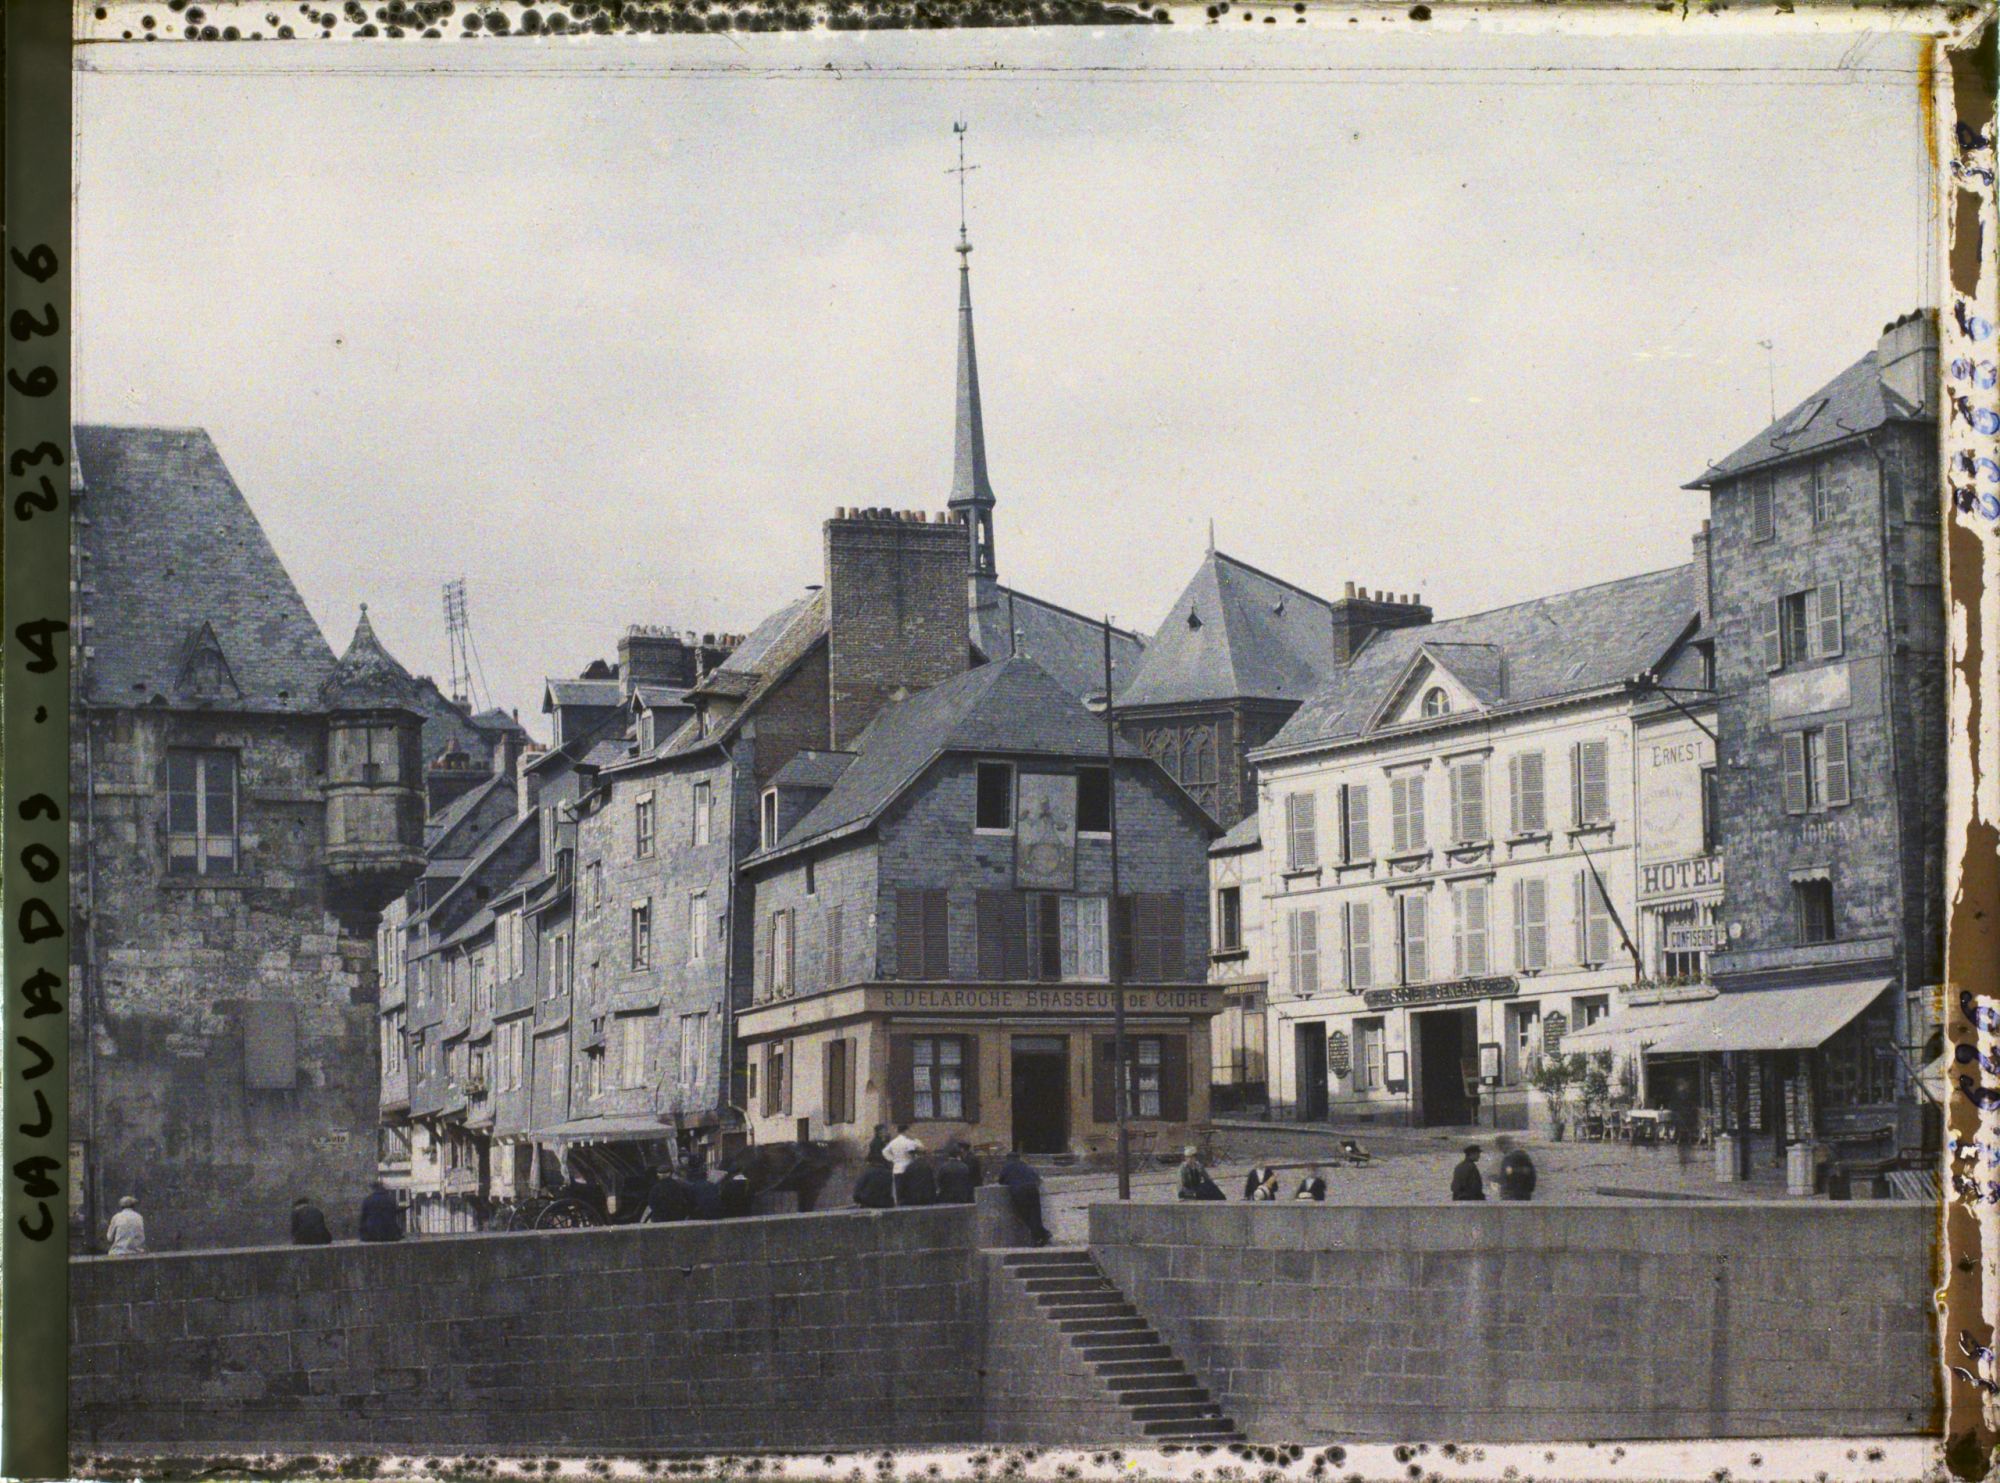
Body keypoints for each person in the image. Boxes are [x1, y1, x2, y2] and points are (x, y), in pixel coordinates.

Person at [996, 1150, 1053, 1247]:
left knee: (1025, 1215)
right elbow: (1037, 1178)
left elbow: (1001, 1181)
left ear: (1008, 1159)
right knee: (1035, 1214)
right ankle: (1042, 1235)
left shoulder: (1007, 1167)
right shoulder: (1025, 1165)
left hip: (1019, 1192)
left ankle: (1040, 1236)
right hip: (1032, 1189)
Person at [883, 1123, 923, 1206]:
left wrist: (892, 1159)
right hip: (908, 1167)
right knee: (908, 1189)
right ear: (906, 1131)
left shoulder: (893, 1142)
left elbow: (885, 1151)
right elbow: (912, 1151)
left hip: (897, 1168)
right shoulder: (909, 1142)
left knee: (898, 1189)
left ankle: (898, 1204)